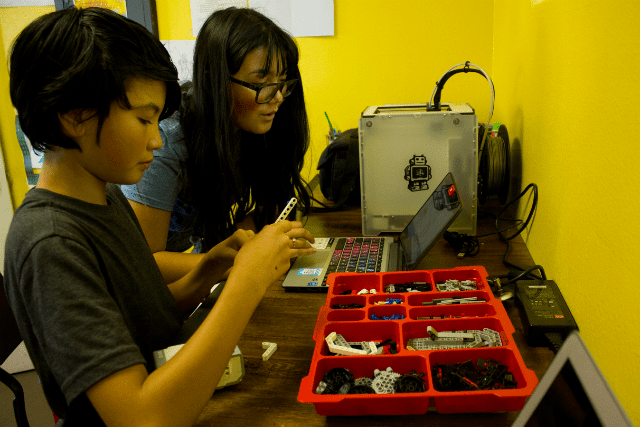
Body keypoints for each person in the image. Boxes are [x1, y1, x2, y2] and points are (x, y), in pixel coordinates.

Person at [3, 7, 315, 426]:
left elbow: (146, 316)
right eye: (144, 119)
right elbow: (142, 418)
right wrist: (246, 279)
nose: (156, 138)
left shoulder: (105, 198)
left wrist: (209, 268)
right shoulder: (51, 242)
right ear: (76, 116)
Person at [121, 7, 312, 284]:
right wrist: (248, 260)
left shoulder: (247, 128)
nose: (279, 96)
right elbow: (143, 264)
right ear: (215, 81)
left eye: (282, 80)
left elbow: (259, 215)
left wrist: (257, 241)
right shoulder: (166, 143)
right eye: (261, 81)